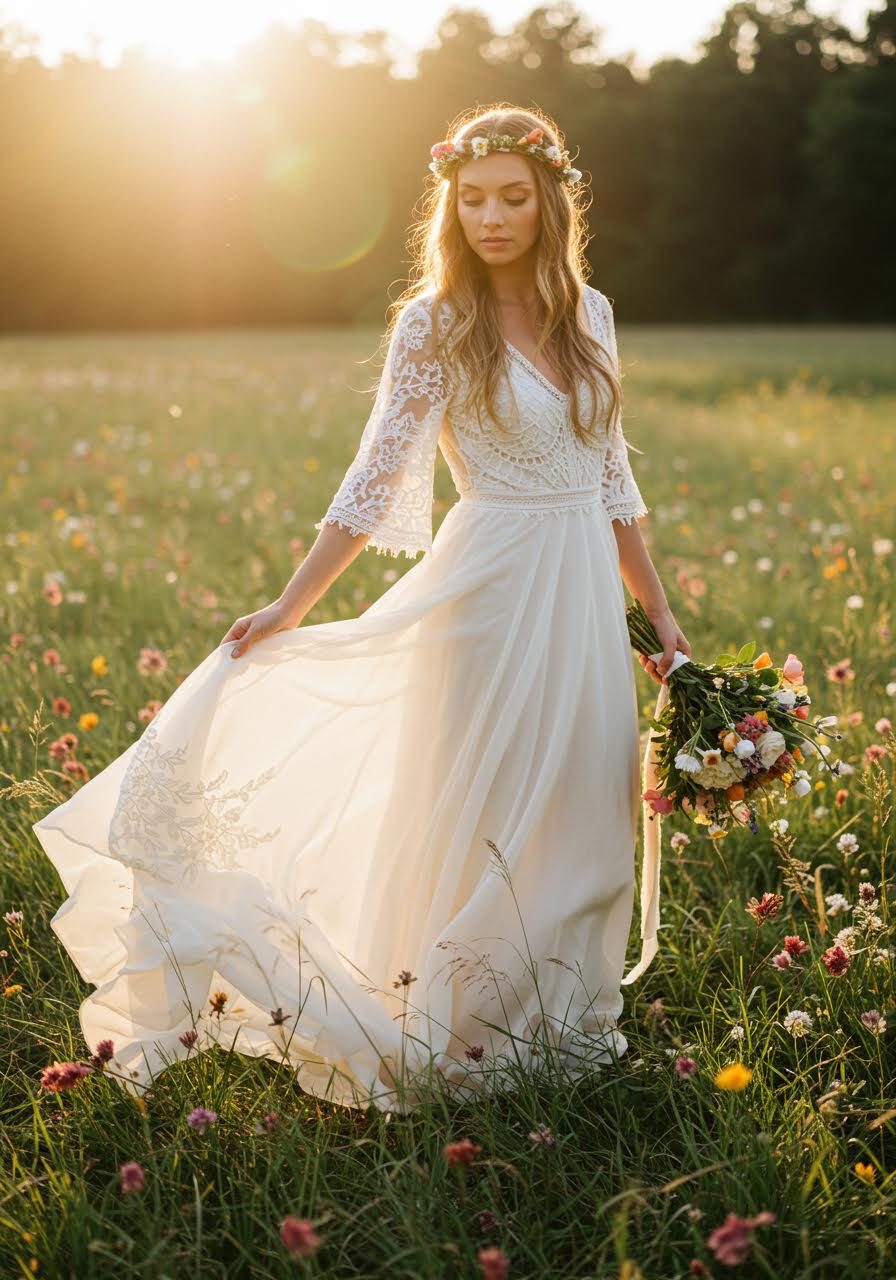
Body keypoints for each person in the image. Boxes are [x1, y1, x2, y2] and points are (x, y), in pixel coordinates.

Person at [32, 104, 691, 1114]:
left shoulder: (589, 314)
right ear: (450, 205)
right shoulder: (433, 321)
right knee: (479, 803)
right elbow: (372, 477)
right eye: (471, 200)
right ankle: (457, 1028)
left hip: (579, 599)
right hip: (487, 585)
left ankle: (557, 1022)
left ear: (550, 199)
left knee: (579, 802)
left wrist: (659, 617)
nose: (491, 217)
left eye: (513, 197)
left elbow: (612, 484)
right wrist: (291, 602)